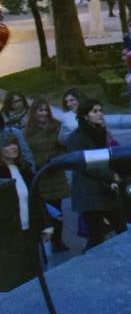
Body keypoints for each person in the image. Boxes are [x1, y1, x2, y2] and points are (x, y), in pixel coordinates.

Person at [65, 99, 127, 250]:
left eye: (100, 110)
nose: (99, 114)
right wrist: (111, 176)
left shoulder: (101, 131)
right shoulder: (76, 138)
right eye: (95, 111)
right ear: (85, 116)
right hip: (89, 194)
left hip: (106, 190)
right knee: (96, 235)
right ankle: (88, 265)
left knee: (121, 227)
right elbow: (85, 165)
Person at [0, 127, 50, 289]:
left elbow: (37, 199)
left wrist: (47, 224)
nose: (14, 147)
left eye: (15, 144)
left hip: (29, 231)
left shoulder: (24, 169)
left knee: (33, 275)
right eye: (7, 145)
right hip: (8, 235)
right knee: (13, 278)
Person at [23, 98, 70, 252]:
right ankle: (45, 240)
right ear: (34, 112)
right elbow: (26, 152)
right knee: (45, 210)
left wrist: (57, 160)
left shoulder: (56, 126)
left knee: (57, 210)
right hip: (39, 175)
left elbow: (64, 146)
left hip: (56, 173)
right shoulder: (27, 131)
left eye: (45, 110)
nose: (43, 113)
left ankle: (58, 241)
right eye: (40, 110)